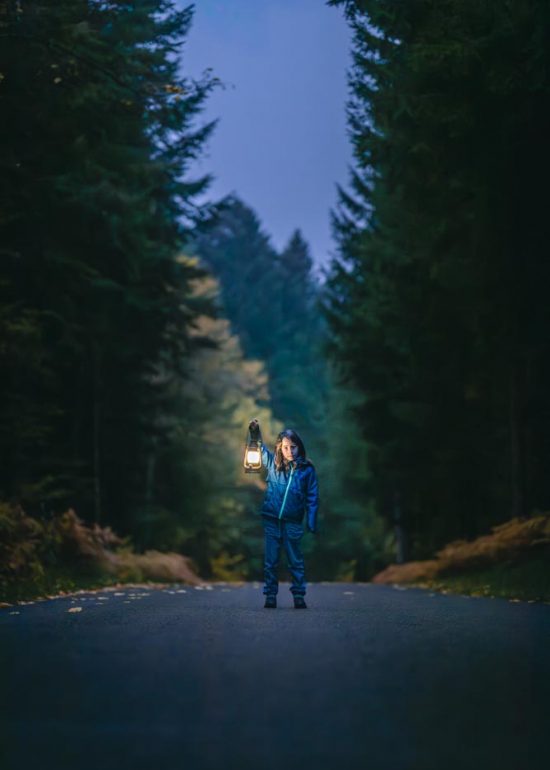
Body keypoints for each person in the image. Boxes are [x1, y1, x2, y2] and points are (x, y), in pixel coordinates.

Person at [248, 419, 319, 609]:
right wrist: (255, 434)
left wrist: (311, 520)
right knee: (271, 561)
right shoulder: (273, 464)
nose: (289, 451)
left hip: (293, 522)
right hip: (272, 520)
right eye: (286, 447)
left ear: (299, 447)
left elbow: (312, 496)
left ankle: (299, 596)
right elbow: (261, 450)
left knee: (295, 560)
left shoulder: (307, 470)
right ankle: (270, 595)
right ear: (280, 448)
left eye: (293, 447)